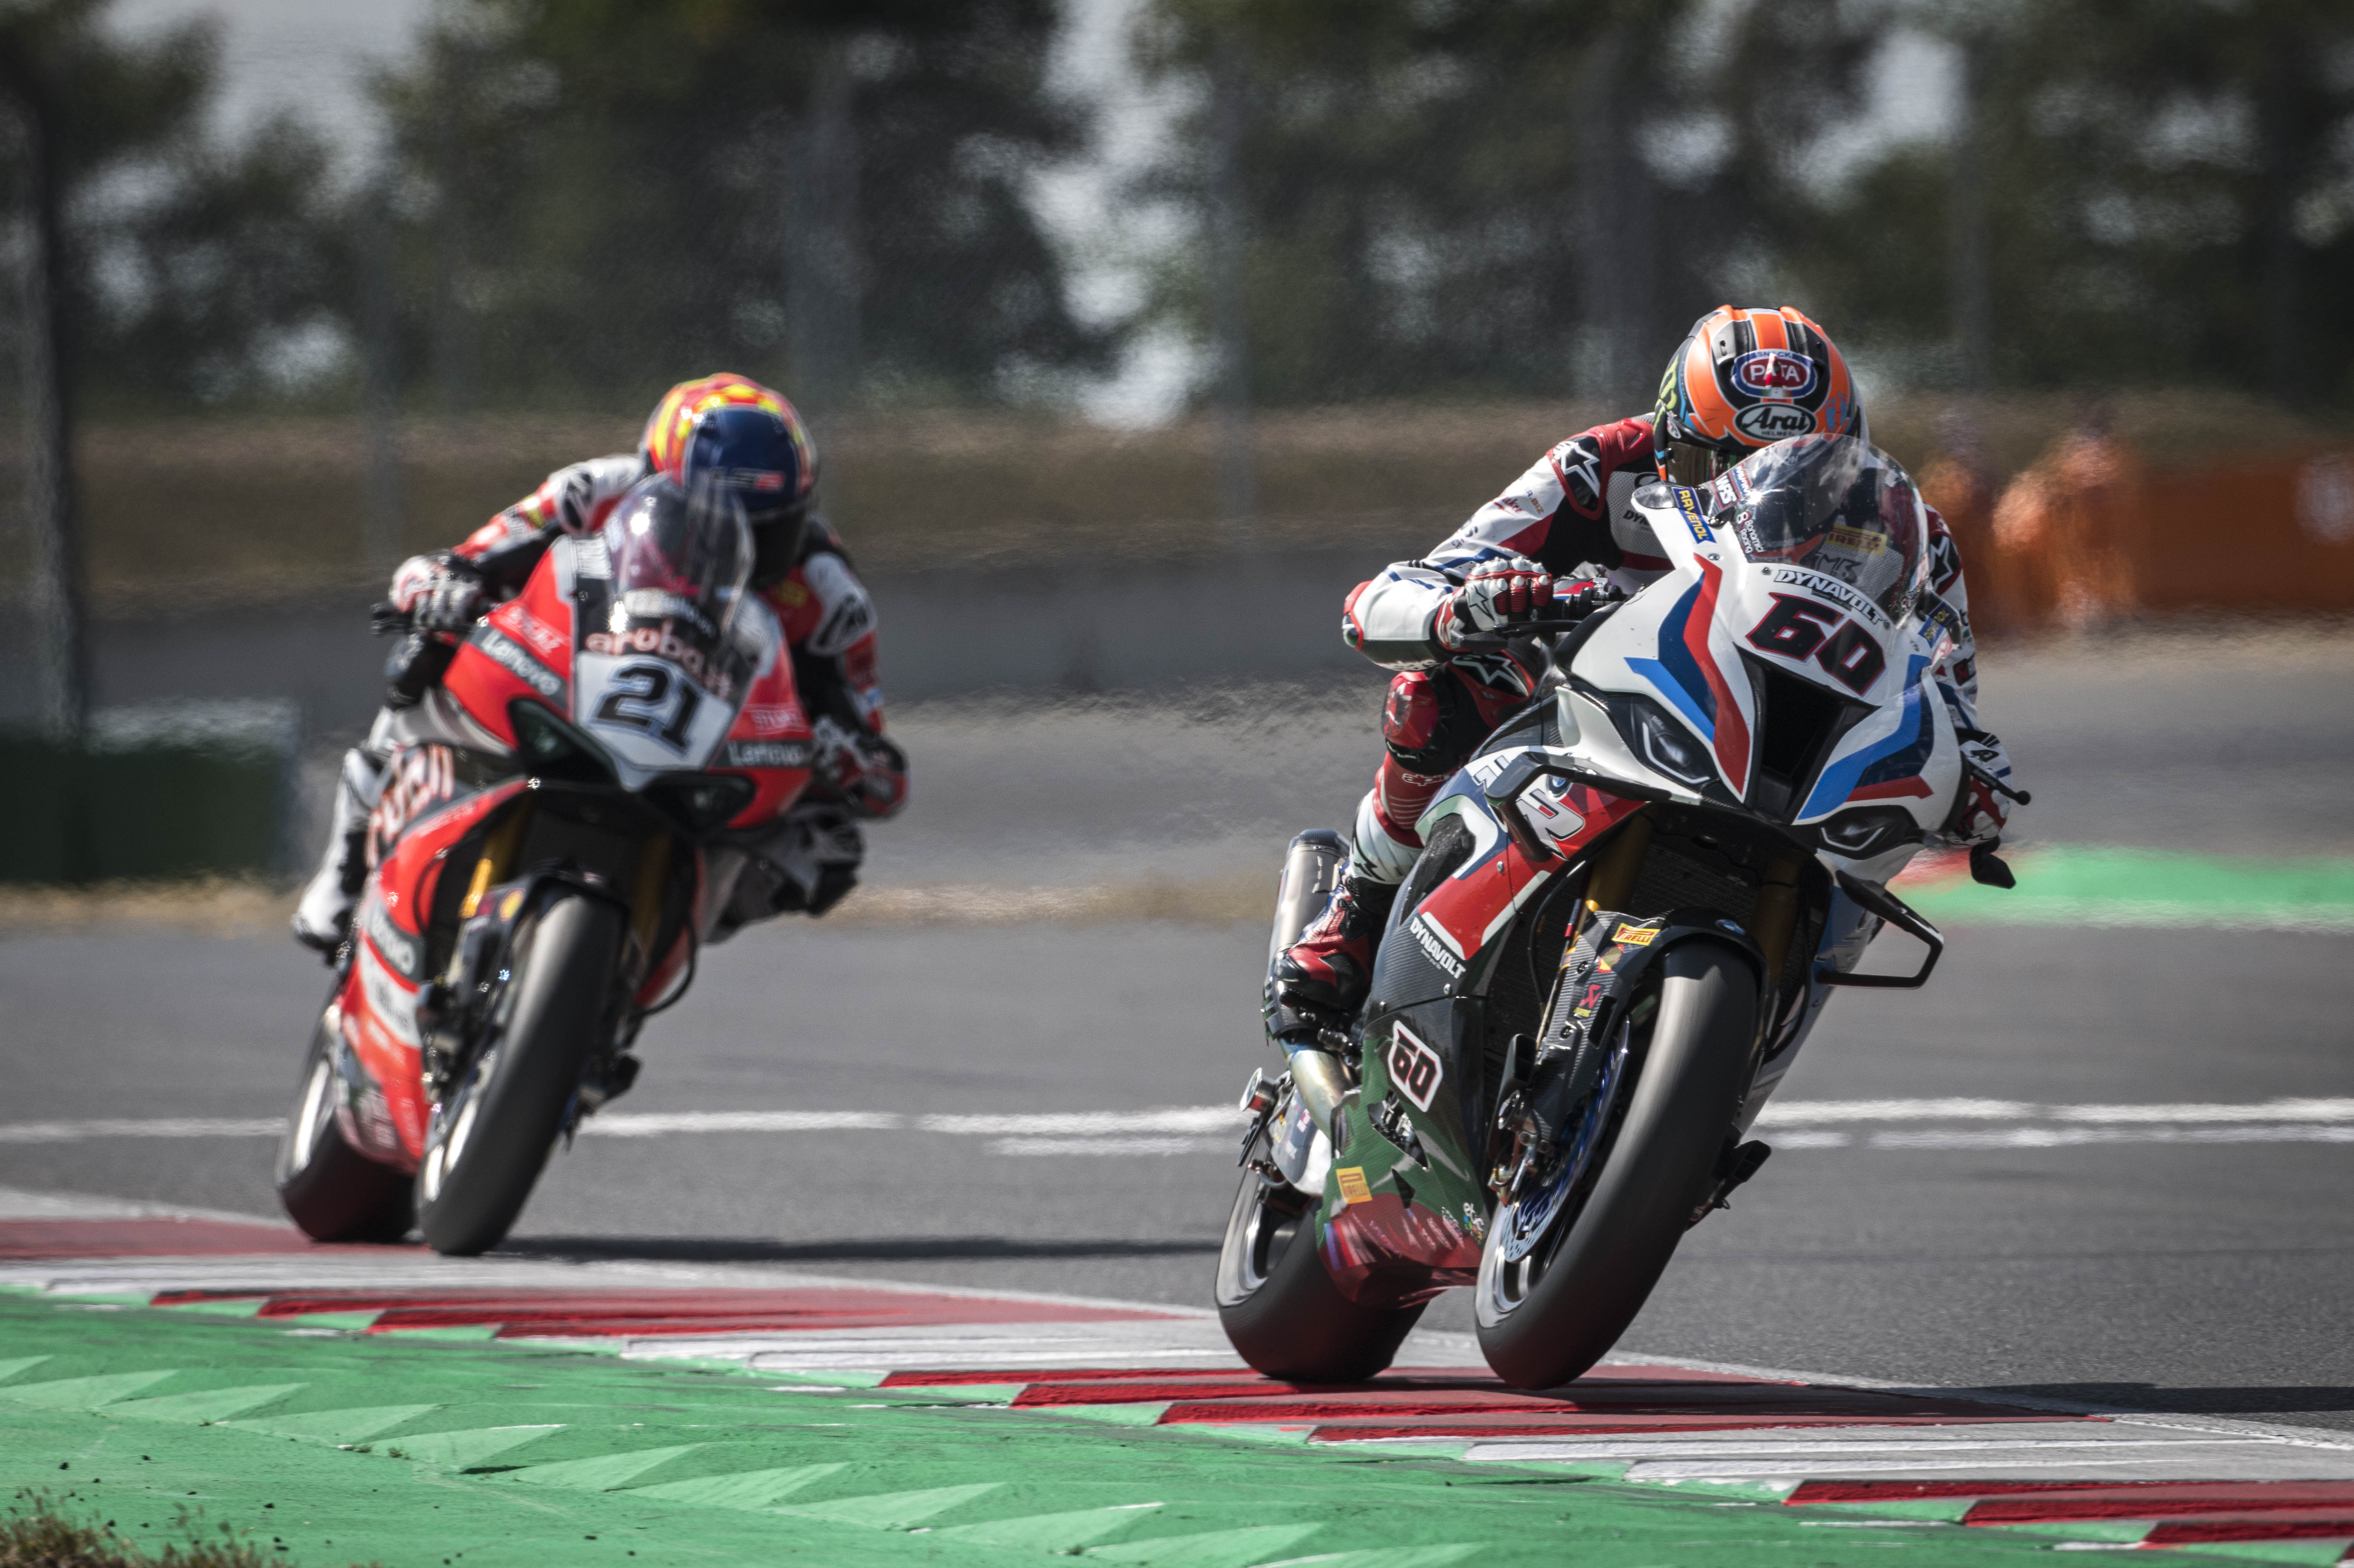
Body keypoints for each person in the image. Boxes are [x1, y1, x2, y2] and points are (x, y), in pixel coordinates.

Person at [1270, 305, 2017, 1039]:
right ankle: (1360, 911)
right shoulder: (1598, 468)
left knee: (1875, 863)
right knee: (1440, 697)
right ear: (1668, 441)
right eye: (1718, 468)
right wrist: (1461, 609)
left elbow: (1949, 696)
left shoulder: (1907, 533)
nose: (1748, 498)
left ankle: (1751, 1037)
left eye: (1795, 478)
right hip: (1611, 711)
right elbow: (1394, 594)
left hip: (1796, 751)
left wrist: (1974, 771)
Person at [292, 373, 909, 953]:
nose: (737, 547)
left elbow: (881, 766)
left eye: (766, 531)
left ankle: (666, 928)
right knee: (426, 654)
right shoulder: (592, 492)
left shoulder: (828, 591)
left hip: (714, 749)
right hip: (573, 676)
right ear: (653, 485)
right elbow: (461, 561)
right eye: (708, 520)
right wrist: (438, 589)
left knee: (830, 847)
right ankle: (350, 854)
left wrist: (845, 754)